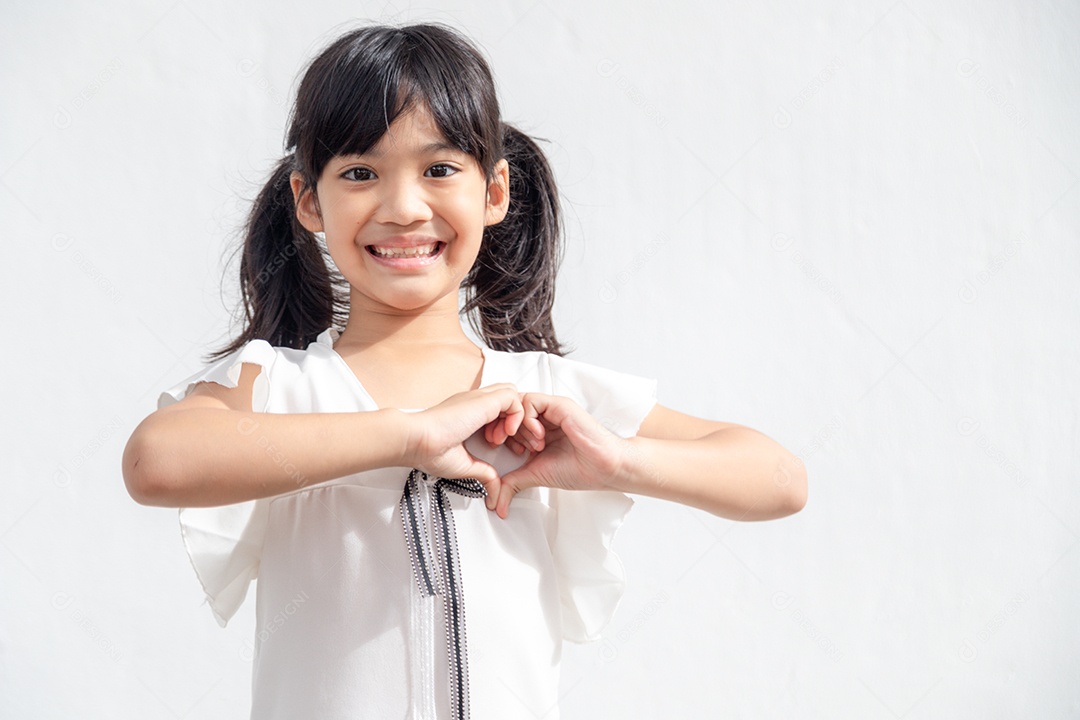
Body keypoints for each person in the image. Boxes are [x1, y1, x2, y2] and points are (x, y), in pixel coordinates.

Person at [122, 22, 807, 720]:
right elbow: (157, 461)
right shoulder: (276, 385)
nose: (403, 208)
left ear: (495, 191)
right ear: (308, 202)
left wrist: (617, 462)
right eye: (359, 173)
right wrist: (406, 437)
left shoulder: (546, 399)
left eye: (439, 168)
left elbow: (780, 479)